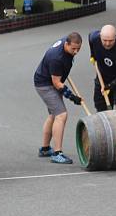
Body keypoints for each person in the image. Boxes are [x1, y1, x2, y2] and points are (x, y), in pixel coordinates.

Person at [33, 33, 83, 164]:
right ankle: (57, 153)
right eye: (73, 49)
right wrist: (72, 97)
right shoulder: (57, 58)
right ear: (66, 44)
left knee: (53, 115)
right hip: (45, 85)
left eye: (78, 49)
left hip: (50, 79)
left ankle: (44, 149)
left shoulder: (67, 45)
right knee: (61, 115)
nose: (76, 52)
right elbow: (57, 83)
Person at [88, 24, 116, 111]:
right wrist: (92, 55)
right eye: (104, 40)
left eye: (111, 40)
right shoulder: (94, 38)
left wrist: (110, 85)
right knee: (102, 111)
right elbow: (90, 37)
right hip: (103, 77)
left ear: (115, 37)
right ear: (100, 36)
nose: (107, 44)